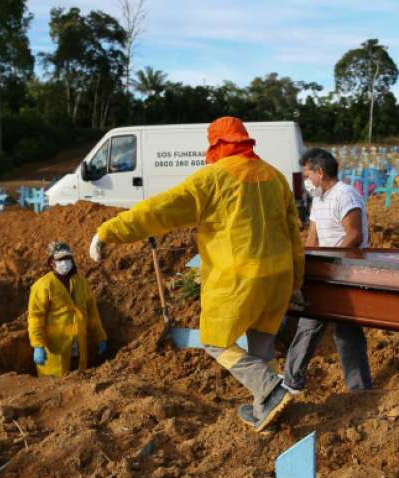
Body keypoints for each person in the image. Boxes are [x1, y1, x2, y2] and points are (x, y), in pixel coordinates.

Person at [89, 116, 304, 432]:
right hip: (279, 277)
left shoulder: (214, 178)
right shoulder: (274, 177)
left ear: (216, 144)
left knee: (214, 341)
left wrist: (109, 231)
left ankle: (271, 389)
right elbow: (293, 236)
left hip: (239, 279)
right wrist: (296, 284)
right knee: (262, 344)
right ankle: (266, 410)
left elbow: (161, 209)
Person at [282, 148, 372, 394]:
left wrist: (333, 266)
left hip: (345, 273)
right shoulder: (319, 199)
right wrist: (304, 264)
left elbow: (354, 235)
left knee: (345, 333)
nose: (306, 181)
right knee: (309, 326)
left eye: (307, 174)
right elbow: (313, 237)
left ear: (319, 172)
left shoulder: (345, 195)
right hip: (325, 273)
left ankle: (359, 389)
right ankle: (292, 381)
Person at [28, 242, 108, 377]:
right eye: (60, 259)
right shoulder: (43, 286)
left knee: (78, 381)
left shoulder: (81, 282)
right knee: (55, 388)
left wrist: (99, 336)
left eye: (67, 258)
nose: (65, 262)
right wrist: (38, 345)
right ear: (52, 263)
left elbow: (92, 311)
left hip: (79, 345)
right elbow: (35, 317)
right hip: (55, 348)